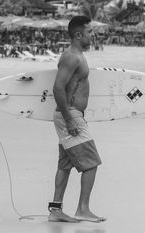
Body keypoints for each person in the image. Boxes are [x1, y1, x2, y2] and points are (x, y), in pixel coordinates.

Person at [48, 16, 106, 223]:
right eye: (90, 32)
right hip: (69, 115)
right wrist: (70, 119)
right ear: (78, 35)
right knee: (91, 163)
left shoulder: (76, 55)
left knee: (65, 164)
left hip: (72, 114)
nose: (93, 35)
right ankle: (83, 209)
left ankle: (55, 210)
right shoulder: (73, 56)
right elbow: (57, 87)